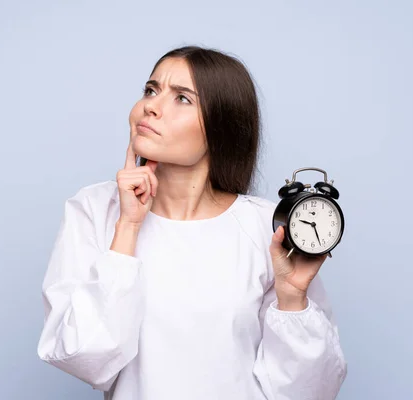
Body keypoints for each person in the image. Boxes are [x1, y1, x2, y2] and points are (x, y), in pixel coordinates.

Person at [36, 45, 347, 400]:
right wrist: (129, 227)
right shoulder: (94, 211)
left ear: (221, 127)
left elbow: (311, 392)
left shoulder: (268, 227)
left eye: (182, 98)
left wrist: (292, 298)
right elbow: (84, 357)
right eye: (151, 90)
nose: (150, 106)